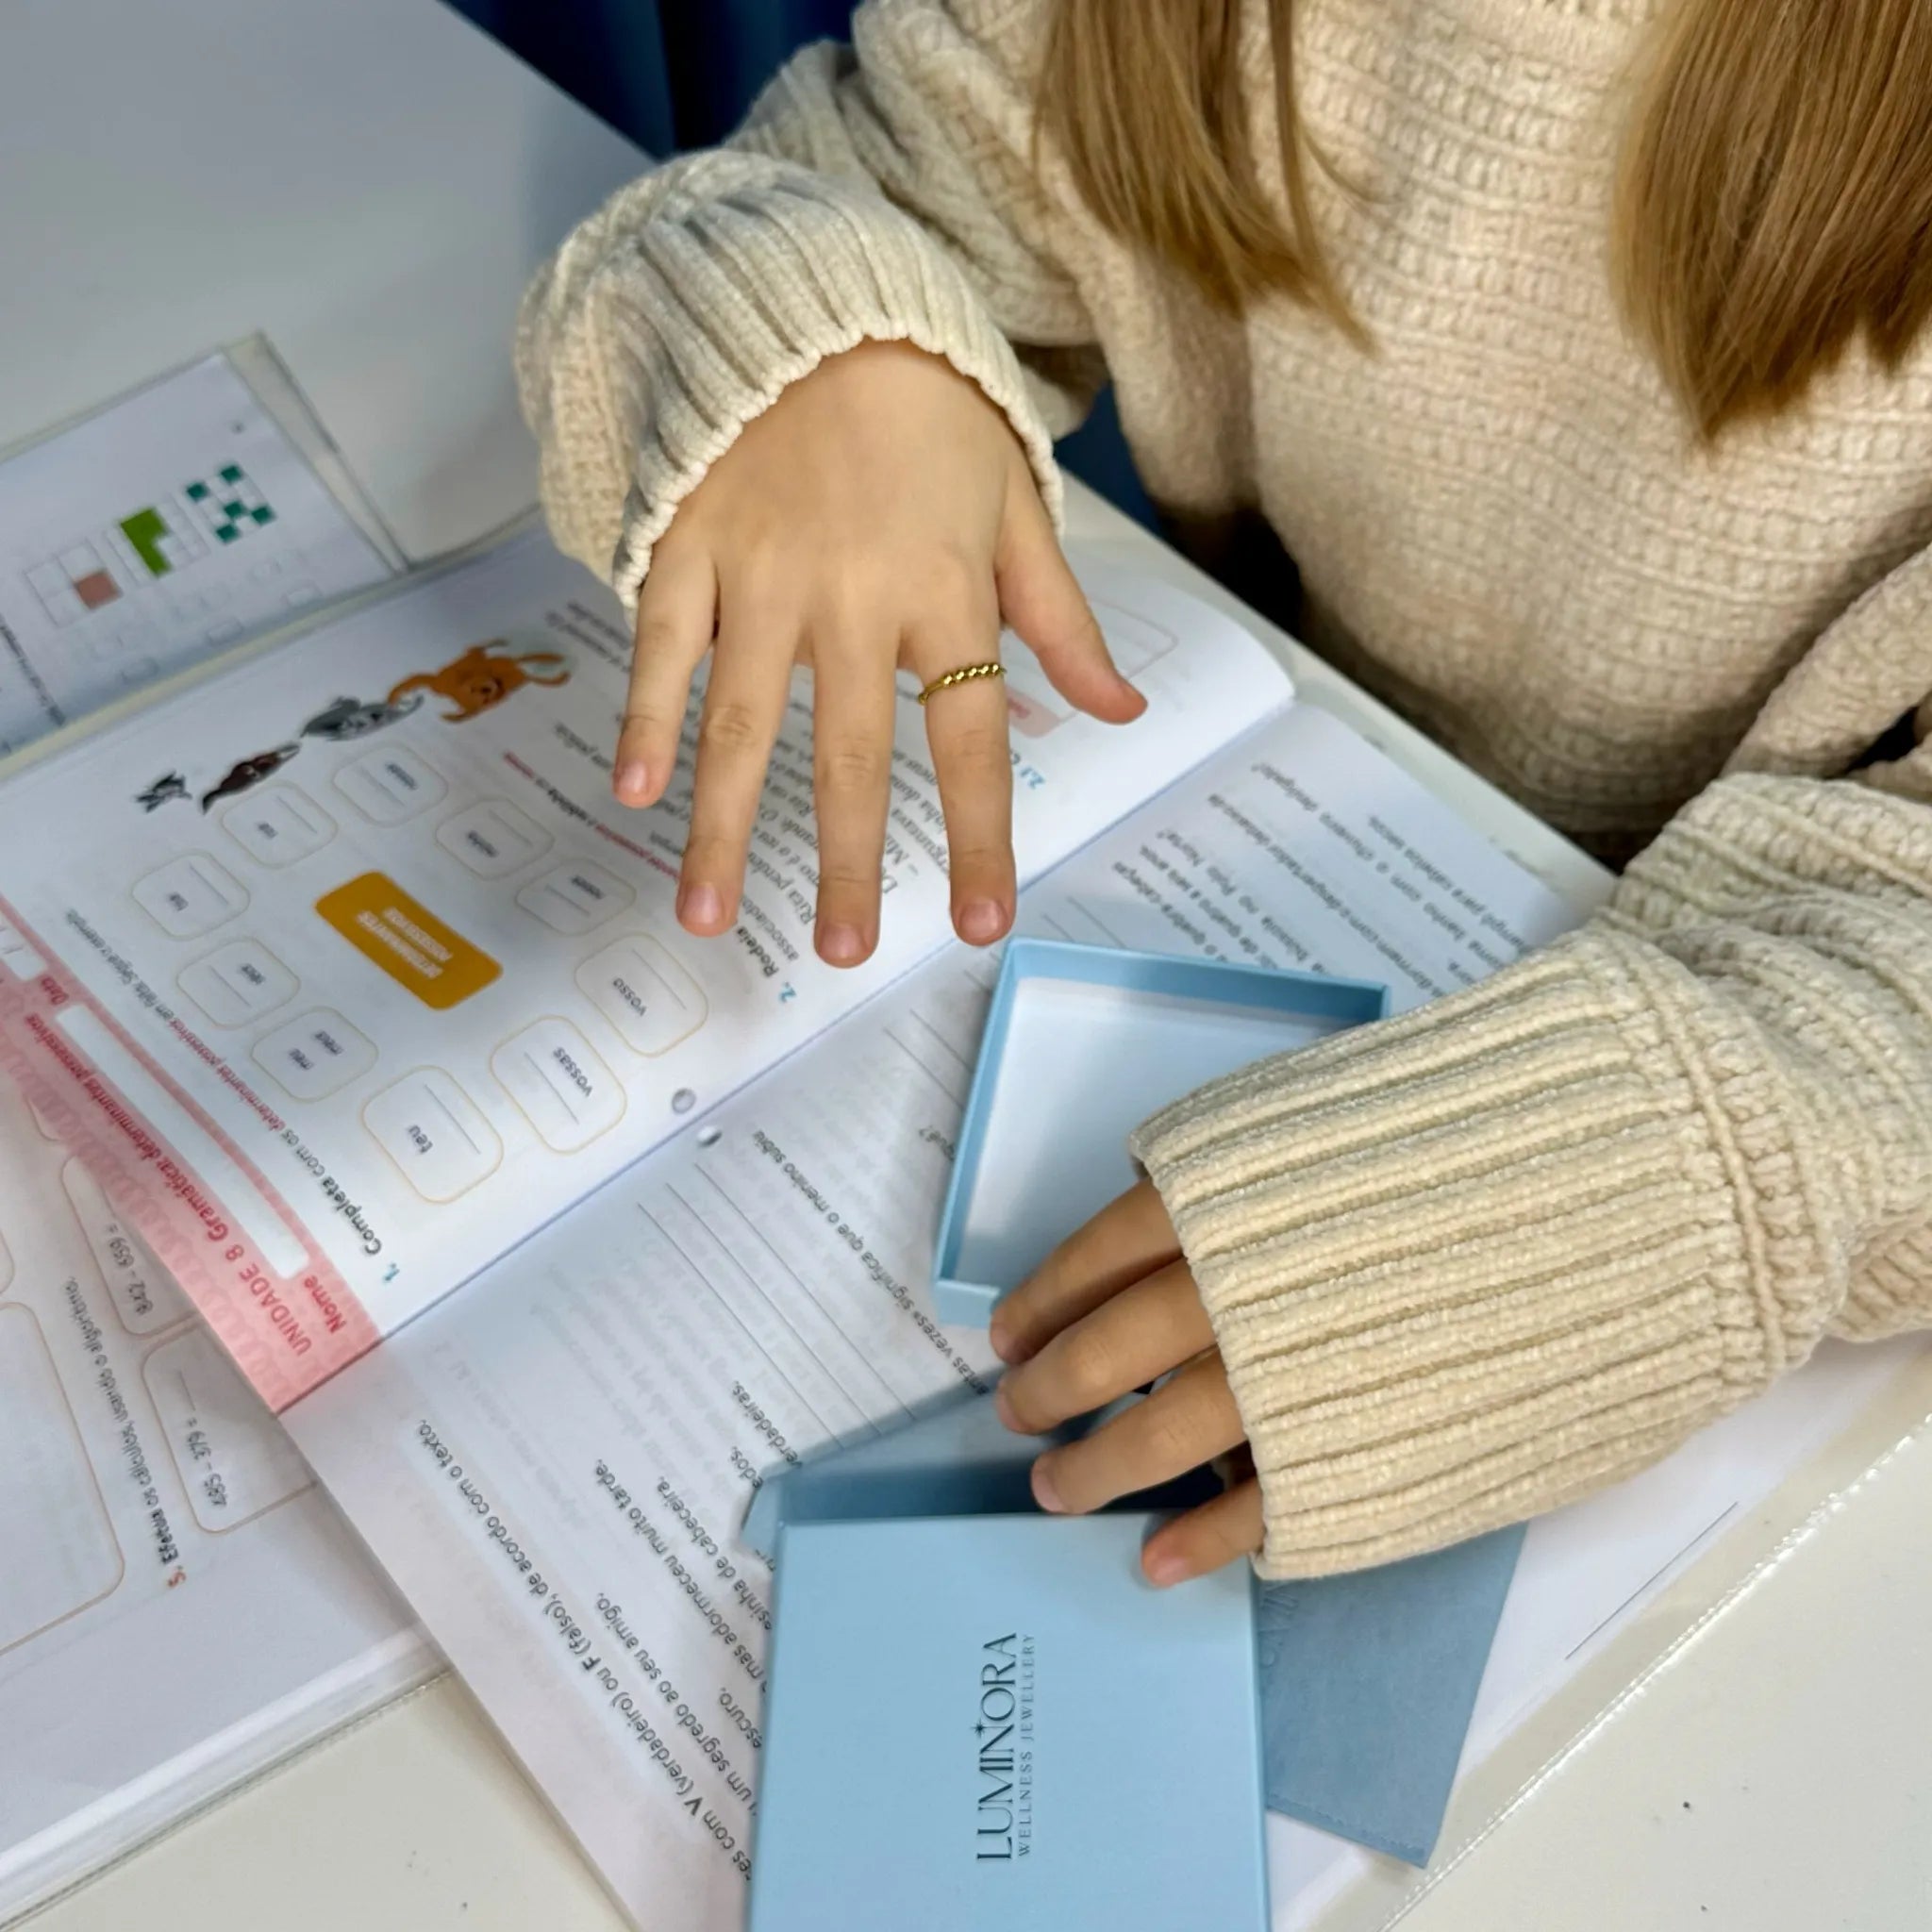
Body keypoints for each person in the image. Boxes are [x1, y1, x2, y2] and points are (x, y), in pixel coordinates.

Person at [517, 0, 1932, 1586]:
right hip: (1312, 833)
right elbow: (878, 176)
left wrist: (1696, 1185)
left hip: (1752, 1081)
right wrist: (821, 344)